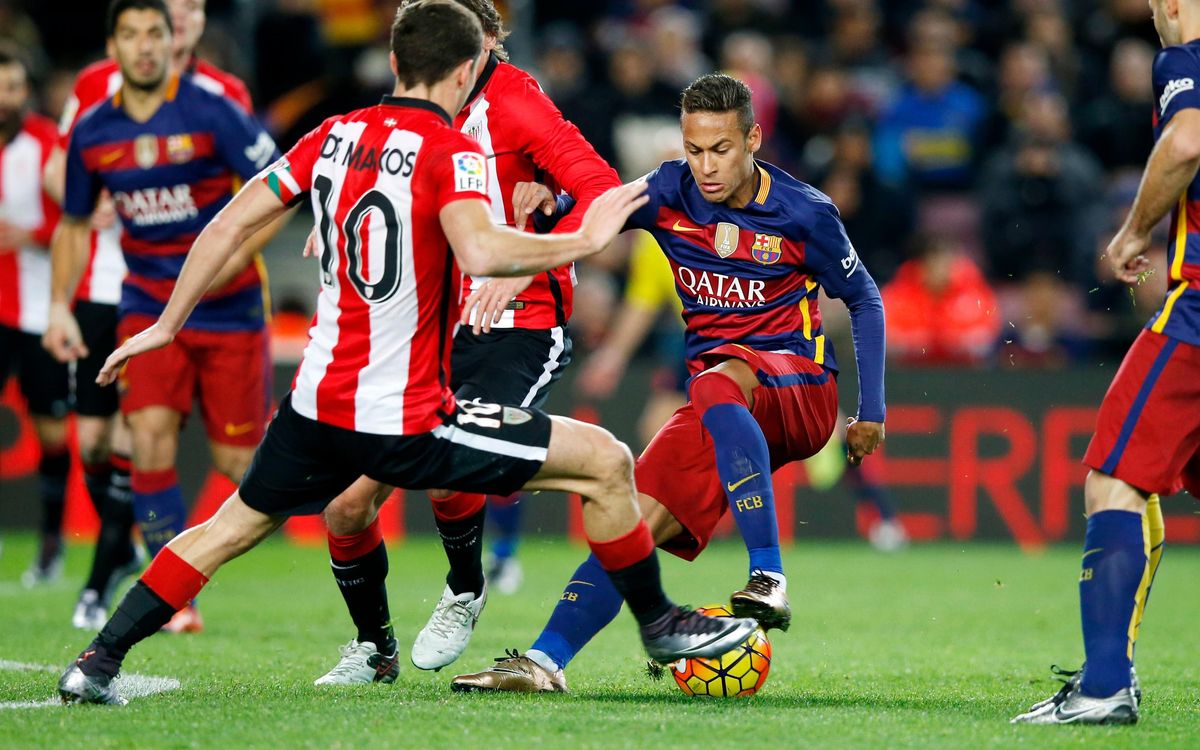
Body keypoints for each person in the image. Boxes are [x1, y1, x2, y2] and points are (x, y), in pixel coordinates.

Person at [57, 0, 755, 707]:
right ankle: (660, 622)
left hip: (316, 404)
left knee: (228, 528)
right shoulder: (449, 149)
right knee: (607, 462)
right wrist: (579, 240)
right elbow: (481, 248)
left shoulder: (334, 134)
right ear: (462, 72)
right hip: (407, 414)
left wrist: (166, 324)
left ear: (393, 62)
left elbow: (231, 221)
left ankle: (98, 658)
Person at [451, 73, 887, 693]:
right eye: (694, 149)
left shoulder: (805, 212)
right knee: (626, 520)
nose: (706, 166)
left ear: (754, 139)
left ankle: (769, 575)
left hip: (801, 390)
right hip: (723, 405)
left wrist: (871, 410)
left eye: (721, 149)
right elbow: (597, 212)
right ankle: (544, 663)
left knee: (715, 381)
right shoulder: (667, 191)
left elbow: (865, 299)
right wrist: (549, 209)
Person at [311, 0, 623, 685]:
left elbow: (603, 189)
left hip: (515, 323)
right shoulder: (412, 106)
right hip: (423, 327)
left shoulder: (519, 102)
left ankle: (464, 586)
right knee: (345, 503)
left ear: (488, 39)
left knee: (453, 463)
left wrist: (536, 246)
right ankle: (374, 646)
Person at [44, 0, 282, 635]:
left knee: (239, 469)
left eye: (155, 33)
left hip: (230, 312)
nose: (146, 46)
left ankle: (181, 565)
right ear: (112, 47)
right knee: (145, 436)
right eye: (131, 35)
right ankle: (174, 594)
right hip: (147, 306)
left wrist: (233, 261)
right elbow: (71, 223)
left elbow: (284, 188)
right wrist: (57, 308)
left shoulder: (212, 109)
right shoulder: (94, 130)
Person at [1012, 0, 1200, 726]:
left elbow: (1186, 141)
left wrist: (1133, 231)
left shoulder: (1184, 60)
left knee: (1116, 478)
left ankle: (1103, 685)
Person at [0, 44, 70, 586]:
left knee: (52, 431)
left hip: (40, 308)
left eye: (14, 87)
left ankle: (51, 544)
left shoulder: (47, 141)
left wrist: (34, 234)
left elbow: (77, 213)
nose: (6, 99)